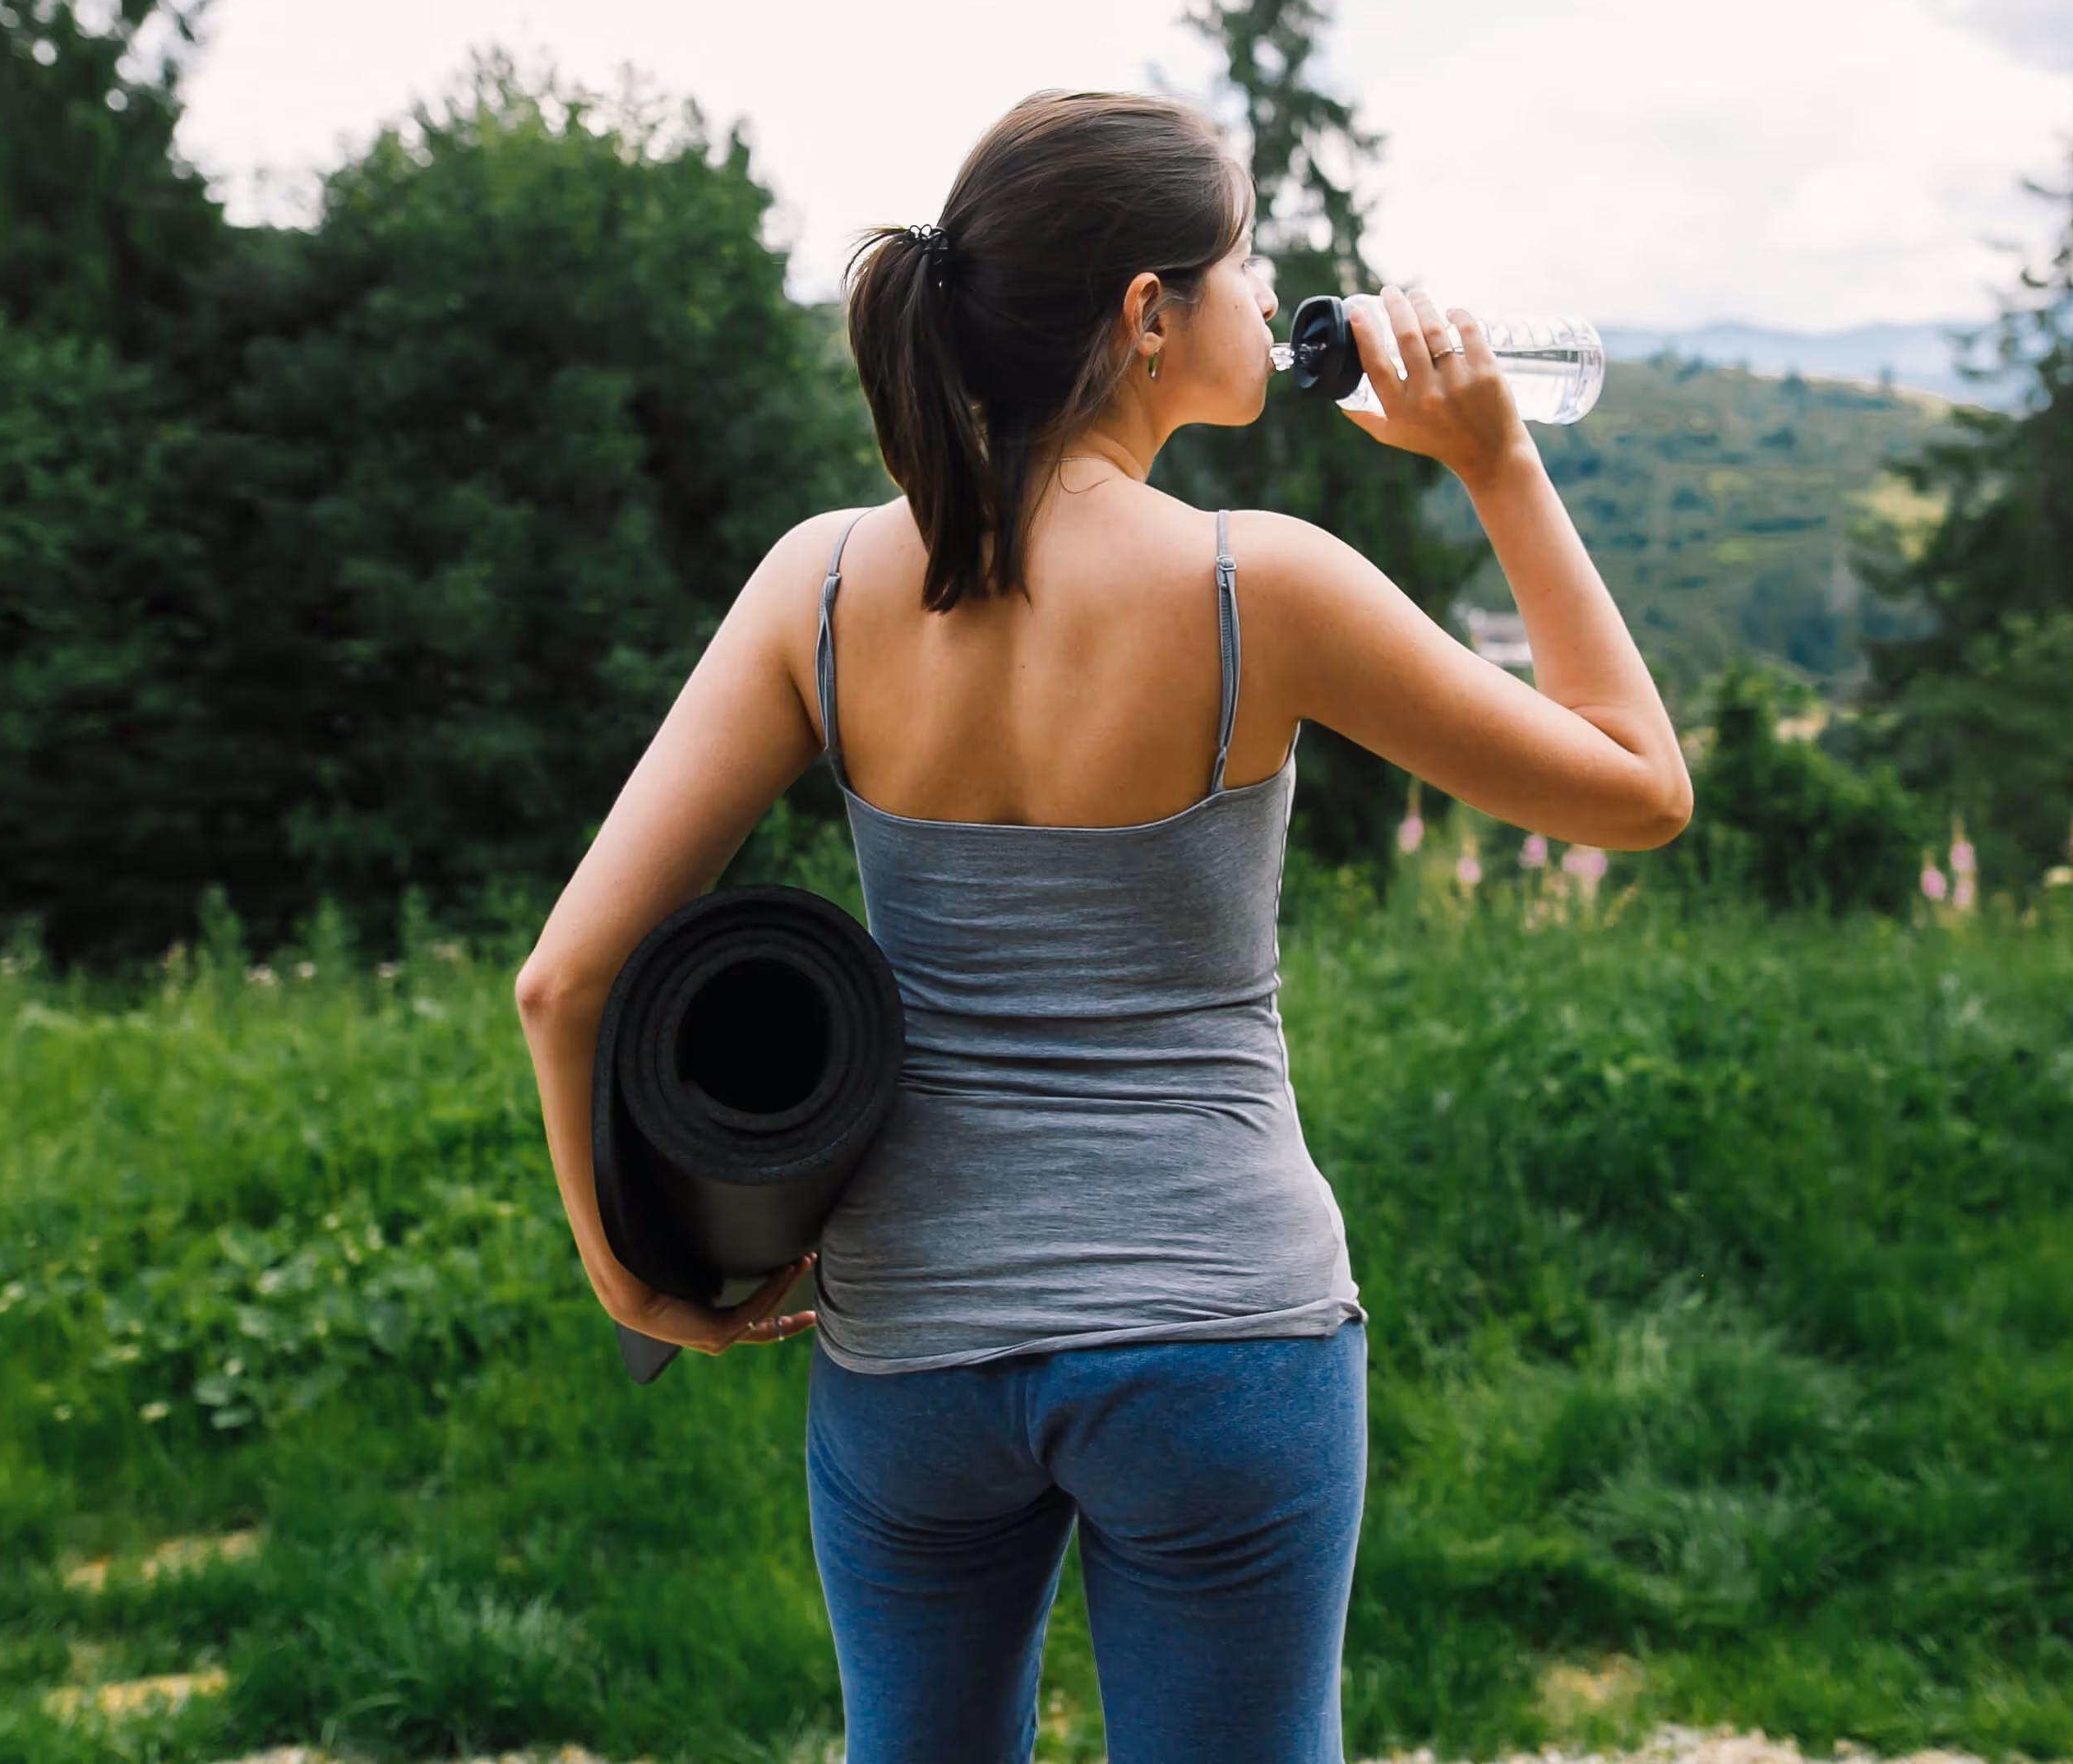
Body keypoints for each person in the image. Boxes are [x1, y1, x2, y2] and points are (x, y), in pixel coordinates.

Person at [513, 87, 1690, 1764]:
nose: (1269, 280)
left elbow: (565, 982)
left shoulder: (823, 586)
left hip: (914, 1344)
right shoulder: (1257, 587)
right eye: (1242, 253)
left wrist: (637, 1278)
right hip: (1223, 1342)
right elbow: (1642, 788)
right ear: (1150, 316)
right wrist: (1497, 459)